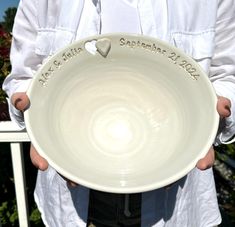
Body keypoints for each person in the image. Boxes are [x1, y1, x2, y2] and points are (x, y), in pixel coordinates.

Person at [2, 0, 235, 226]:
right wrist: (36, 115)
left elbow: (227, 76)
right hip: (74, 198)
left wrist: (215, 114)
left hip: (175, 195)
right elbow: (24, 78)